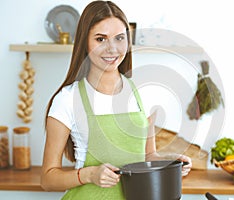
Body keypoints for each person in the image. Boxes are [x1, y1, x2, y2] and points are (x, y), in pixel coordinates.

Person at [41, 1, 192, 199]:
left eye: (119, 38)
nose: (112, 49)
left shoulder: (142, 93)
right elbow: (47, 179)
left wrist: (169, 164)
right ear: (84, 42)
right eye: (100, 39)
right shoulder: (68, 99)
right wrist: (89, 174)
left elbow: (146, 157)